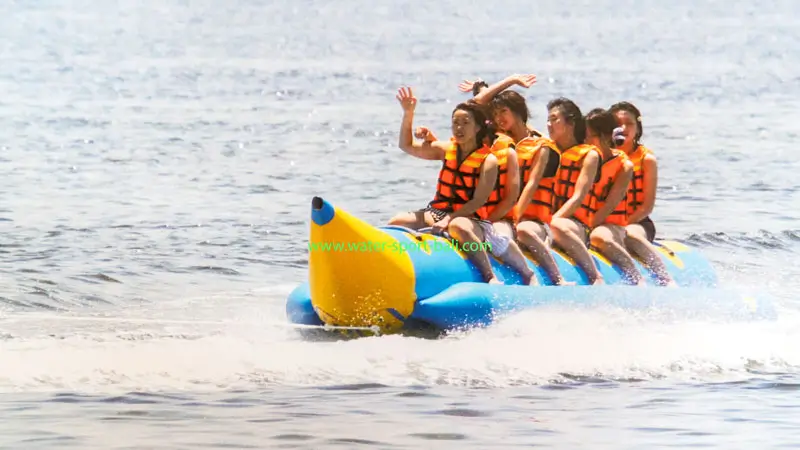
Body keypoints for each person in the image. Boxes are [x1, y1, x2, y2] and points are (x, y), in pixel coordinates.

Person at [387, 86, 509, 284]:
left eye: (465, 123)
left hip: (472, 219)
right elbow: (406, 146)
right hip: (436, 213)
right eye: (455, 123)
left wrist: (449, 219)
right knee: (396, 221)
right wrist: (408, 114)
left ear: (478, 128)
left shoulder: (489, 160)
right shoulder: (446, 150)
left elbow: (479, 201)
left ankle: (490, 276)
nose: (459, 128)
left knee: (458, 227)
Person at [488, 90, 568, 285]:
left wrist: (516, 217)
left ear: (518, 111)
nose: (499, 118)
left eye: (503, 111)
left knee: (524, 231)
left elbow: (531, 184)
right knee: (495, 236)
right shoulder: (498, 143)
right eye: (495, 113)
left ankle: (557, 278)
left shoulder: (542, 147)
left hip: (533, 221)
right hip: (501, 217)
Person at [610, 102, 676, 286]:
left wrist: (623, 225)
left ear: (638, 128)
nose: (623, 128)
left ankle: (665, 278)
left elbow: (647, 206)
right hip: (605, 221)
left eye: (629, 123)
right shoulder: (600, 154)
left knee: (630, 235)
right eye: (617, 123)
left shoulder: (646, 159)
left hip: (637, 221)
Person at [547, 98, 605, 285]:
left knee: (558, 227)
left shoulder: (590, 155)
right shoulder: (547, 150)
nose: (549, 124)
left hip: (575, 225)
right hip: (548, 220)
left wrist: (552, 222)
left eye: (554, 119)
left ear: (570, 123)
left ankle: (596, 276)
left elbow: (578, 197)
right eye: (548, 119)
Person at [582, 108, 644, 285]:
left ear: (604, 136)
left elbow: (610, 205)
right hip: (582, 221)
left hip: (610, 224)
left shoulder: (625, 166)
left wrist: (588, 228)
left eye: (589, 136)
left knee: (599, 237)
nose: (585, 141)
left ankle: (637, 278)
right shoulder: (584, 158)